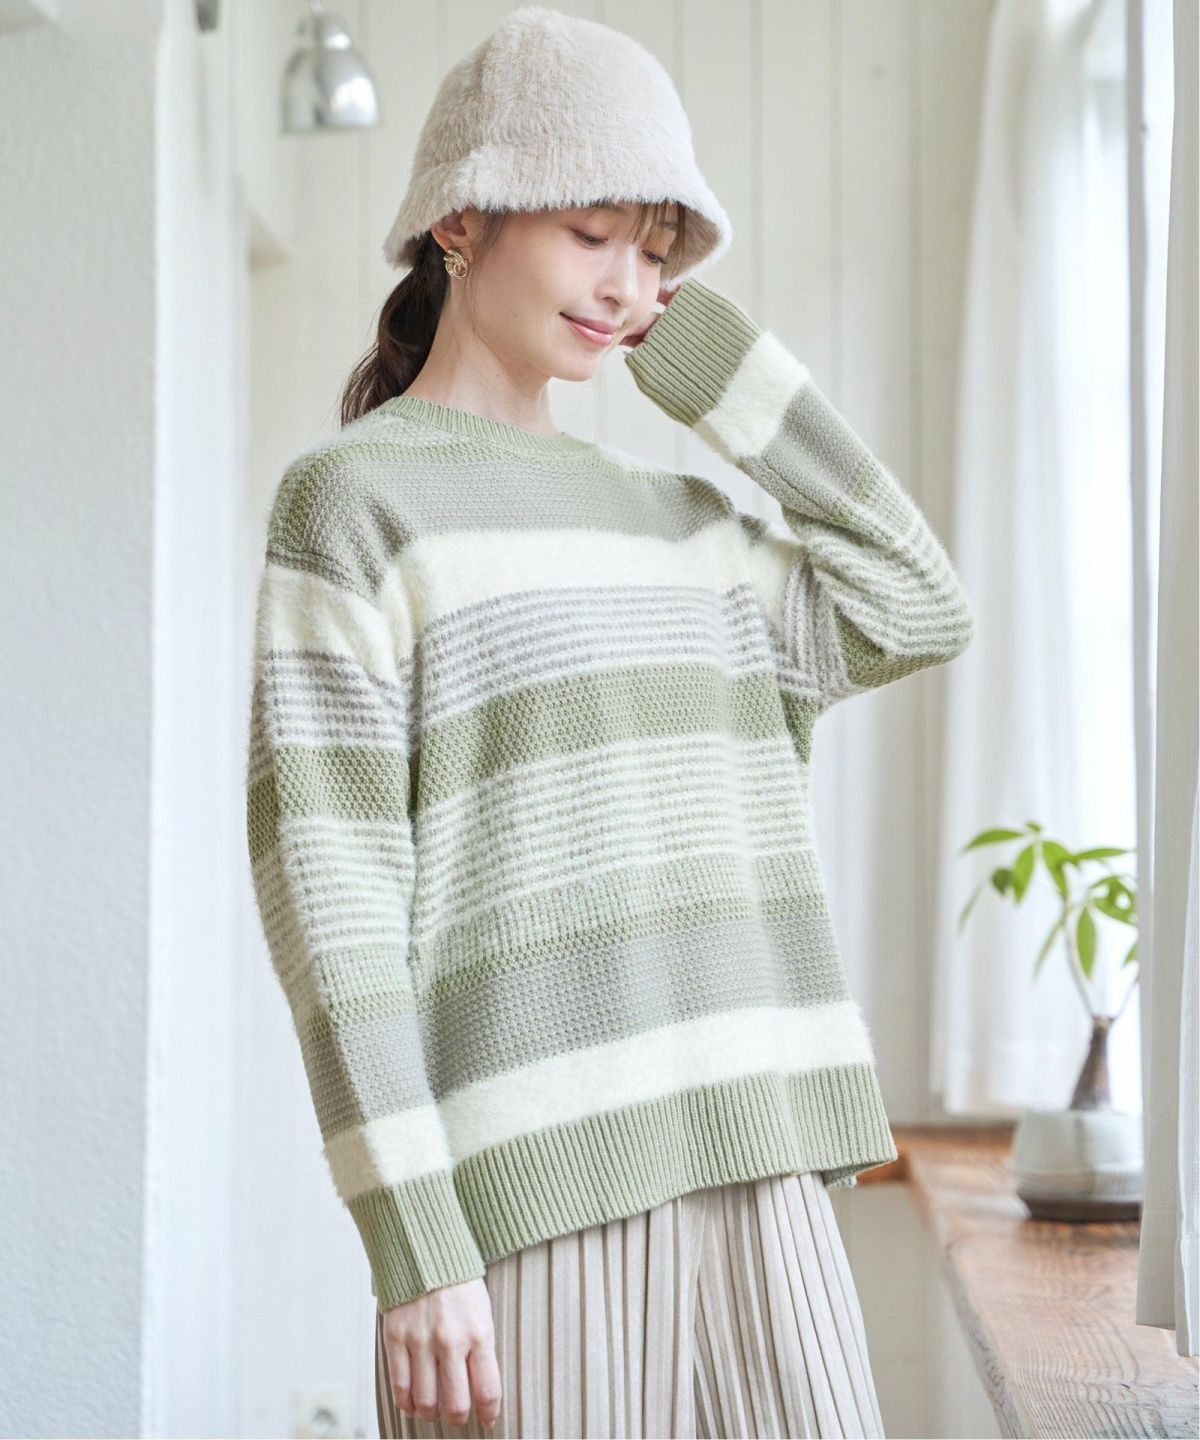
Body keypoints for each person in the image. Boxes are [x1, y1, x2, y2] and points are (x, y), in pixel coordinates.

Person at [244, 7, 976, 1438]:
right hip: (528, 1210)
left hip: (767, 1173)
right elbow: (331, 897)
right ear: (460, 218)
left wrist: (701, 352)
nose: (625, 282)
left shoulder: (683, 524)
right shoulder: (355, 503)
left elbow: (916, 602)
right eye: (593, 234)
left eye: (655, 252)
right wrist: (416, 1243)